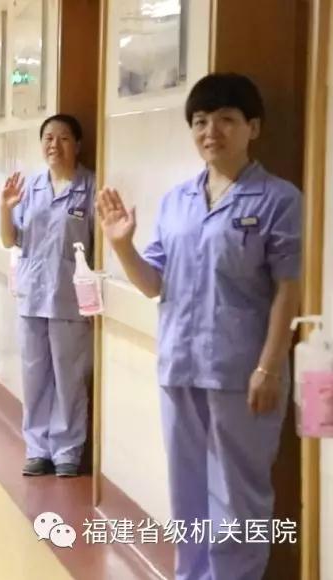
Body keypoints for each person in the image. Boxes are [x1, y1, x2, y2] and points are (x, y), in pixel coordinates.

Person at [98, 73, 300, 579]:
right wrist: (121, 245)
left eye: (227, 120)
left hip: (242, 372)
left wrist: (269, 367)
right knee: (187, 494)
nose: (212, 132)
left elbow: (288, 290)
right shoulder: (177, 201)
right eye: (201, 121)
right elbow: (153, 283)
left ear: (253, 128)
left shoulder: (278, 199)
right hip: (180, 366)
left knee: (237, 497)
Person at [0, 114, 95, 478]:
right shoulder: (31, 187)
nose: (54, 144)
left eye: (64, 137)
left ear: (78, 145)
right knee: (34, 375)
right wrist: (5, 208)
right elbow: (11, 240)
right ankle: (38, 448)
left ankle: (68, 449)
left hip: (70, 297)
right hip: (32, 293)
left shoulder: (90, 187)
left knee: (69, 377)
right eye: (48, 138)